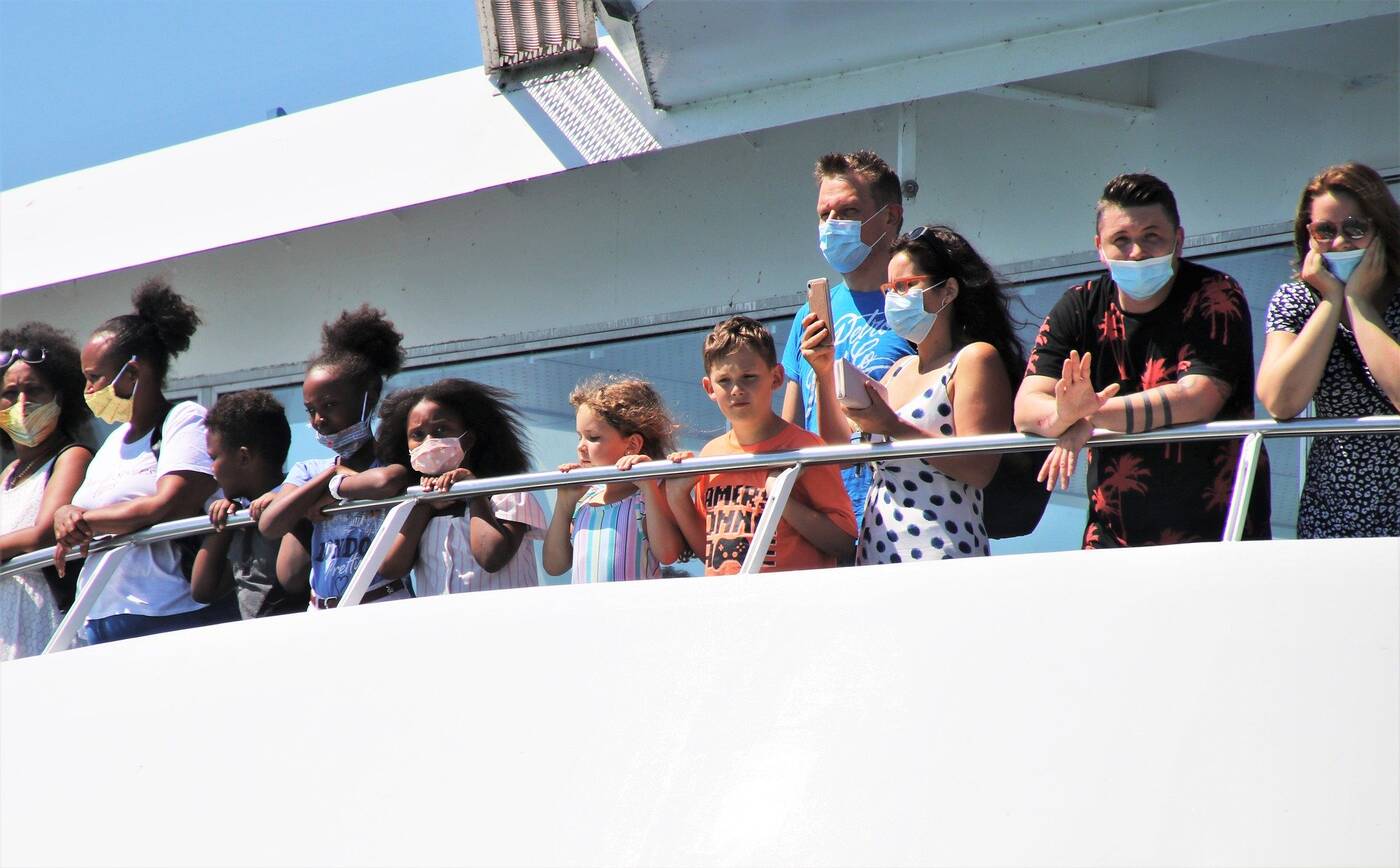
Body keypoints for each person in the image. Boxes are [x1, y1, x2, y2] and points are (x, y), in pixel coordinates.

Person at [1013, 173, 1271, 547]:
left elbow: (1199, 397)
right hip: (1111, 537)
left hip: (1219, 536)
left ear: (1178, 241)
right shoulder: (1079, 305)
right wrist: (1064, 417)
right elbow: (1026, 406)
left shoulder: (1214, 293)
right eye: (1122, 240)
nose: (1136, 252)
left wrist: (1088, 417)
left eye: (1152, 236)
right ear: (1099, 247)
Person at [799, 225, 1022, 564]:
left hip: (943, 550)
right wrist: (823, 372)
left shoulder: (974, 359)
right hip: (877, 551)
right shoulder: (898, 370)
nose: (894, 298)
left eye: (906, 286)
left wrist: (893, 426)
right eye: (889, 288)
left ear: (947, 291)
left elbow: (979, 467)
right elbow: (839, 453)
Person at [52, 279, 231, 644]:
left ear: (132, 374)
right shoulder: (113, 442)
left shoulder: (184, 419)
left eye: (93, 378)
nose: (88, 391)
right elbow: (82, 510)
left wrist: (84, 522)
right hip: (99, 613)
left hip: (168, 614)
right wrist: (64, 514)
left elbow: (171, 503)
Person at [1257, 162, 1400, 538]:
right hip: (1333, 512)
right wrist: (1330, 302)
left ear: (1381, 229)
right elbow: (1280, 401)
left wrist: (1360, 304)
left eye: (1354, 228)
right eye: (1325, 230)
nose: (1339, 243)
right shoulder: (1296, 301)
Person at [781, 151, 913, 524]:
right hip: (824, 523)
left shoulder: (919, 304)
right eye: (825, 215)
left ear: (890, 217)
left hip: (897, 518)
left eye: (848, 211)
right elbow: (790, 430)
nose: (832, 225)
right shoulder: (809, 316)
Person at [667, 316, 857, 575]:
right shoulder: (710, 455)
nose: (736, 389)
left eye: (749, 377)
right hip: (730, 606)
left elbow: (844, 542)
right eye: (724, 380)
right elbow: (711, 553)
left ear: (776, 377)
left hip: (792, 605)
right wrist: (678, 497)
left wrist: (782, 498)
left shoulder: (806, 448)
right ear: (709, 387)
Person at [257, 305, 411, 609]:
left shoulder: (395, 458)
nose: (318, 420)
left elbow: (385, 482)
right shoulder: (310, 470)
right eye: (311, 410)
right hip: (322, 609)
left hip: (383, 604)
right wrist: (329, 477)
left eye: (330, 405)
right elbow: (271, 524)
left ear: (369, 397)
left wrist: (332, 489)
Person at [374, 379, 548, 594]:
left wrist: (474, 493)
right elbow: (390, 568)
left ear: (469, 439)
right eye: (417, 435)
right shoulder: (414, 505)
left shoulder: (508, 494)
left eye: (440, 430)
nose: (429, 441)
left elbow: (491, 558)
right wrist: (426, 505)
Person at [0, 324, 94, 658]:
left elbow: (43, 534)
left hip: (45, 621)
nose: (21, 403)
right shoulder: (8, 472)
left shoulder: (71, 457)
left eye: (34, 391)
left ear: (61, 397)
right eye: (10, 393)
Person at [542, 375, 685, 582]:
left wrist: (649, 487)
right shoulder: (584, 501)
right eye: (579, 436)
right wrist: (564, 502)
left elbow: (668, 554)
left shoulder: (645, 496)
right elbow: (554, 566)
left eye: (593, 438)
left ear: (633, 445)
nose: (580, 446)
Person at [191, 390, 310, 618]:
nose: (211, 469)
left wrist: (285, 509)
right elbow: (203, 590)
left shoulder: (300, 501)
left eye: (214, 458)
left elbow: (294, 579)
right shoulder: (239, 511)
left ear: (243, 458)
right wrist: (222, 526)